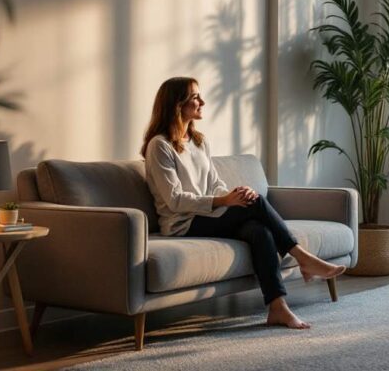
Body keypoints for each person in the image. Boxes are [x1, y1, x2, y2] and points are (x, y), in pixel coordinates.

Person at [142, 76, 345, 329]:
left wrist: (233, 195)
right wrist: (223, 200)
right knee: (256, 202)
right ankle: (302, 256)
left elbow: (214, 182)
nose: (202, 101)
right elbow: (174, 200)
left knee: (259, 231)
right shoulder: (159, 146)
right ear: (176, 104)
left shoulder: (199, 141)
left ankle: (278, 307)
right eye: (195, 97)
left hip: (210, 215)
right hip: (182, 223)